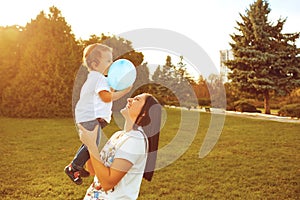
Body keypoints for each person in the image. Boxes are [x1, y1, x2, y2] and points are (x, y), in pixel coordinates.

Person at [65, 43, 131, 185]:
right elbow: (106, 97)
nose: (112, 63)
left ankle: (78, 164)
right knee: (92, 144)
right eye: (108, 60)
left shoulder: (100, 79)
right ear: (95, 64)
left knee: (91, 143)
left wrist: (114, 86)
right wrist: (124, 92)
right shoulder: (98, 78)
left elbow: (108, 92)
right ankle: (74, 167)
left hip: (90, 117)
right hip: (90, 116)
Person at [78, 93, 161, 200]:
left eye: (137, 99)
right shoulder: (118, 135)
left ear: (145, 112)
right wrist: (89, 141)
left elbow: (108, 183)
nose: (129, 99)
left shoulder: (135, 141)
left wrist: (91, 145)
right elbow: (93, 171)